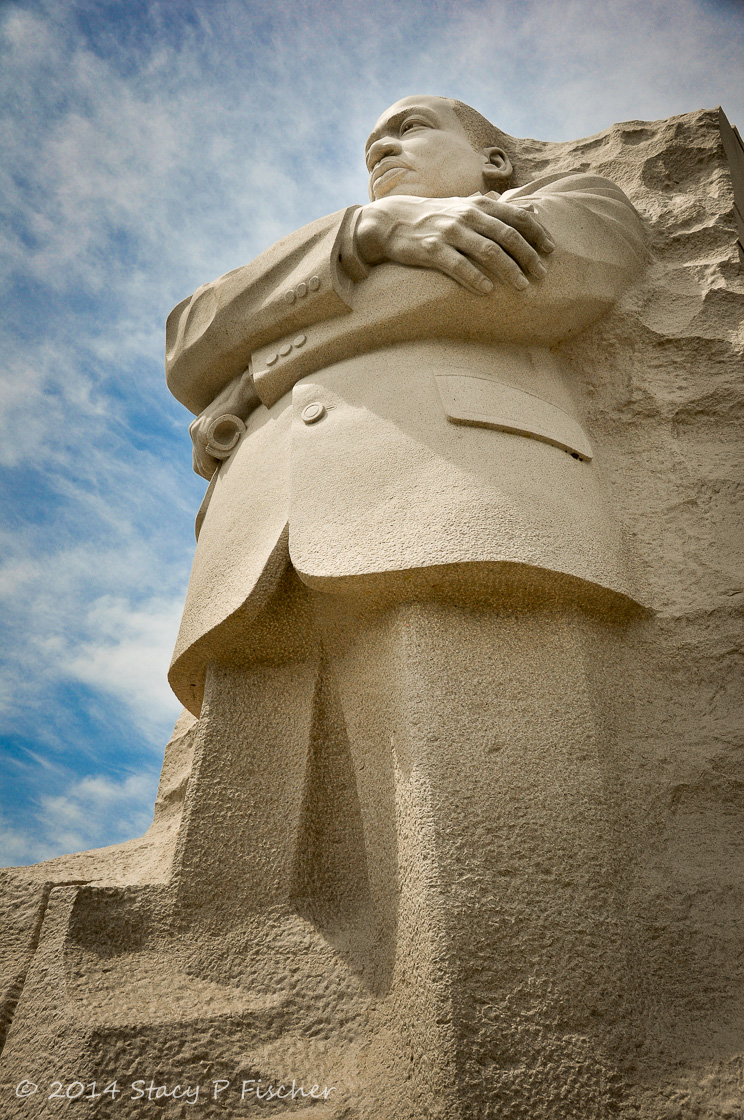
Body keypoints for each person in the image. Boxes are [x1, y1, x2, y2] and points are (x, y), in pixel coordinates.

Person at [164, 96, 648, 1113]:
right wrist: (369, 233)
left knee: (489, 913)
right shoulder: (347, 238)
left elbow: (546, 271)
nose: (381, 144)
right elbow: (188, 337)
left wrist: (264, 366)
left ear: (498, 161)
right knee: (223, 941)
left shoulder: (581, 200)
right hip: (264, 563)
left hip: (463, 516)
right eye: (369, 141)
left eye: (414, 125)